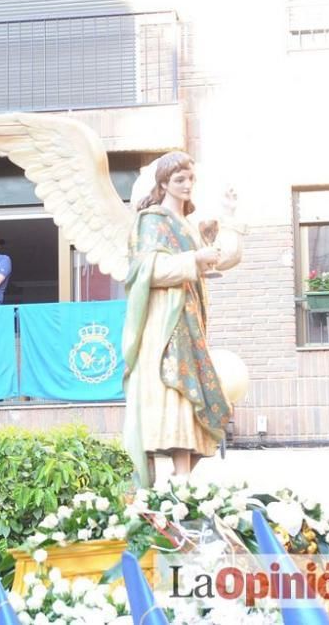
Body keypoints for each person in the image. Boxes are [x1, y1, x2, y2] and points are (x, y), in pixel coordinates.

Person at [121, 151, 243, 485]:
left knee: (192, 392)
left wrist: (230, 217)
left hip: (191, 320)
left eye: (191, 179)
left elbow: (222, 259)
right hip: (165, 322)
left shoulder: (190, 225)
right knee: (172, 387)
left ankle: (185, 476)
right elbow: (146, 269)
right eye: (179, 180)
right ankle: (172, 476)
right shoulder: (152, 220)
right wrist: (193, 259)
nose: (187, 185)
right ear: (163, 183)